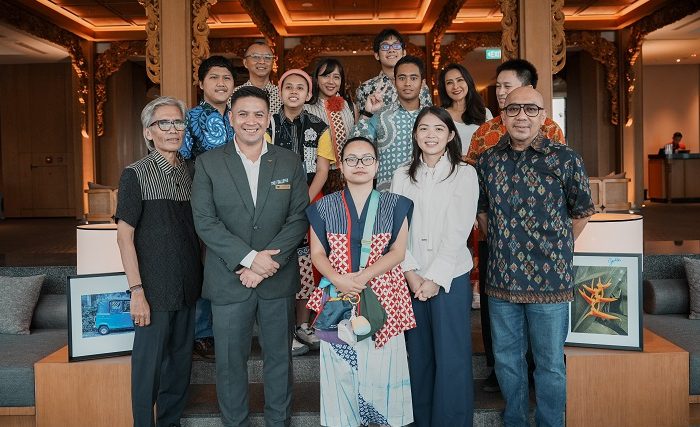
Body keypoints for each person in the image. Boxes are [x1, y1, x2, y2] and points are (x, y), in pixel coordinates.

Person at [475, 87, 594, 427]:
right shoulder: (488, 160)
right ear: (503, 116)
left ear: (543, 116)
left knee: (550, 364)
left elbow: (582, 212)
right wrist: (505, 244)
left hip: (550, 282)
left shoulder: (565, 159)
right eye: (514, 109)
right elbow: (482, 213)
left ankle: (549, 423)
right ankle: (514, 420)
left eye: (531, 109)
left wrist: (554, 249)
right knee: (506, 360)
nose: (522, 116)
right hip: (502, 280)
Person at [190, 86, 309, 427]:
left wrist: (264, 264)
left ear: (268, 119)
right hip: (229, 279)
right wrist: (248, 258)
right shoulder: (209, 163)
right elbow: (205, 221)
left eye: (258, 114)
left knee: (279, 360)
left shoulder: (289, 161)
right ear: (231, 118)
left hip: (276, 278)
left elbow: (298, 218)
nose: (251, 121)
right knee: (229, 363)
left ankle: (278, 422)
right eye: (243, 114)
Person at [465, 58, 566, 392]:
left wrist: (556, 241)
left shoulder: (550, 130)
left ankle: (536, 372)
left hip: (543, 251)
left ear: (528, 89)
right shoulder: (484, 133)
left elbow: (571, 201)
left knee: (544, 336)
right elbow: (475, 188)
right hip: (497, 240)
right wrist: (493, 232)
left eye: (507, 86)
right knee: (496, 313)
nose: (501, 92)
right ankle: (499, 372)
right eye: (498, 87)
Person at [306, 136, 416, 427]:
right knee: (339, 368)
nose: (359, 165)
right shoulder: (323, 207)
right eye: (351, 159)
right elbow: (317, 254)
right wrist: (338, 279)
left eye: (367, 159)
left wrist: (362, 278)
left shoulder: (396, 204)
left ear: (377, 165)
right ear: (341, 167)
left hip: (384, 293)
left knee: (383, 365)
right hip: (337, 294)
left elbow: (398, 252)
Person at [115, 96, 202, 427]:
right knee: (147, 368)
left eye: (178, 122)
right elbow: (124, 237)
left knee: (180, 366)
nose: (172, 129)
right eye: (163, 123)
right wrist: (136, 291)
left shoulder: (191, 170)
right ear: (148, 132)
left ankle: (170, 422)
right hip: (153, 288)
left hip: (188, 283)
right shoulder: (135, 174)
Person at [391, 106, 478, 427]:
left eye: (439, 129)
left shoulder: (464, 173)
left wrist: (434, 279)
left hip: (450, 277)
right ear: (415, 135)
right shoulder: (402, 174)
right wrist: (411, 274)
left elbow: (459, 230)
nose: (431, 135)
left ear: (451, 135)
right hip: (411, 278)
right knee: (419, 358)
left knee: (452, 358)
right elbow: (396, 227)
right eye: (424, 128)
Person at [271, 68, 335, 355]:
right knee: (280, 263)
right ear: (280, 92)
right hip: (274, 202)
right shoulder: (269, 124)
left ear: (309, 94)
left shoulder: (319, 126)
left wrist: (304, 201)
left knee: (308, 264)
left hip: (311, 199)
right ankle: (282, 330)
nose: (294, 91)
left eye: (300, 87)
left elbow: (322, 170)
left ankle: (303, 325)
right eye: (289, 87)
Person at [179, 55, 236, 361]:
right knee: (205, 265)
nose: (221, 83)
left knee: (230, 264)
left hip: (239, 204)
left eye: (226, 78)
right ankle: (202, 332)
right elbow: (182, 161)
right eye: (214, 77)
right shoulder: (191, 118)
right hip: (204, 203)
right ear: (201, 83)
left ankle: (228, 328)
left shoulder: (239, 115)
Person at [352, 55, 429, 191]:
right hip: (388, 193)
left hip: (425, 192)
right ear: (394, 82)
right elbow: (355, 146)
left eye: (413, 78)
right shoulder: (380, 115)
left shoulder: (432, 118)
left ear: (422, 83)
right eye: (402, 78)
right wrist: (367, 113)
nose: (407, 83)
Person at [305, 58, 356, 193]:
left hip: (347, 176)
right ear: (316, 79)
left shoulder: (350, 107)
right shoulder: (305, 109)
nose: (331, 81)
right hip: (316, 177)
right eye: (326, 76)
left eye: (336, 77)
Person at [355, 28, 431, 116]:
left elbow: (430, 117)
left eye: (396, 46)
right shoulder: (365, 88)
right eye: (385, 46)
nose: (391, 50)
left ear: (404, 53)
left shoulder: (420, 86)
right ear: (377, 55)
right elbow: (363, 122)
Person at [438, 63, 492, 156]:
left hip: (480, 164)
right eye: (449, 82)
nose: (455, 87)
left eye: (460, 80)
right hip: (450, 164)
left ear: (468, 82)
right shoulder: (439, 115)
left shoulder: (484, 112)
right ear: (444, 88)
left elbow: (492, 144)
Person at [234, 41, 282, 114]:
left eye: (267, 57)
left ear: (273, 62)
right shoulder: (234, 94)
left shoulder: (282, 95)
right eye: (255, 57)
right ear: (245, 63)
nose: (262, 61)